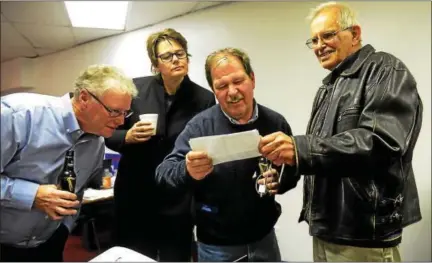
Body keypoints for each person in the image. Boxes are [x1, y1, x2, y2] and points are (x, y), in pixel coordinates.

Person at [259, 2, 423, 262]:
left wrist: (301, 149)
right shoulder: (328, 88)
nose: (319, 46)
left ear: (355, 34)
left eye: (327, 35)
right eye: (313, 40)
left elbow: (381, 143)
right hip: (327, 231)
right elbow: (324, 153)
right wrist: (286, 173)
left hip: (364, 236)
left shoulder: (386, 70)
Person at [155, 47, 299, 262]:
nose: (232, 92)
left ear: (252, 79)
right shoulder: (200, 126)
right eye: (222, 86)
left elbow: (293, 170)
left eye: (238, 81)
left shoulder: (275, 122)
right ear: (214, 90)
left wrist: (281, 180)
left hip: (265, 238)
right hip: (216, 246)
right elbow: (163, 173)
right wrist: (187, 170)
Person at [0, 64, 138, 262]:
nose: (121, 122)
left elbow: (76, 193)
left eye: (125, 113)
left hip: (48, 244)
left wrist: (64, 229)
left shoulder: (96, 142)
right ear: (84, 98)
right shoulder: (17, 115)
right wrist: (32, 195)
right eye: (114, 111)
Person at [104, 28, 215, 261]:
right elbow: (106, 132)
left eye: (180, 53)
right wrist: (127, 137)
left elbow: (205, 145)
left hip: (177, 199)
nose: (176, 59)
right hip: (135, 196)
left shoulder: (203, 98)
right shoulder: (134, 89)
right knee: (133, 256)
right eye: (167, 56)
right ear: (155, 64)